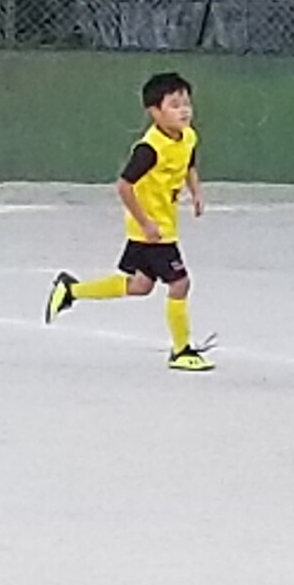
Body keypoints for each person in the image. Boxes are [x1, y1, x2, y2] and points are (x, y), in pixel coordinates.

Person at [44, 72, 215, 372]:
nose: (184, 111)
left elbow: (189, 164)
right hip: (153, 231)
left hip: (164, 225)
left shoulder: (188, 136)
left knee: (140, 285)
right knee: (180, 283)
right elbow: (124, 186)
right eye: (174, 105)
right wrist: (145, 223)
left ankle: (71, 290)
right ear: (155, 112)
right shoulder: (148, 149)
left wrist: (197, 192)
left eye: (186, 103)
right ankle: (181, 350)